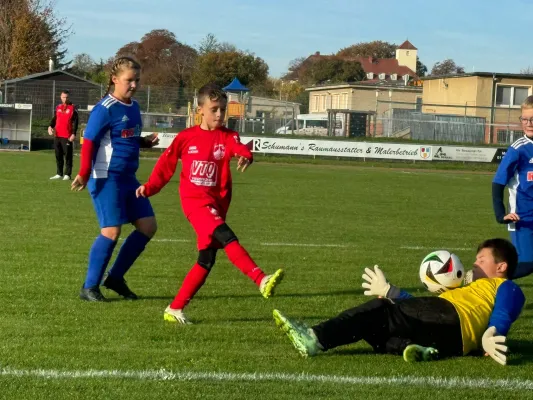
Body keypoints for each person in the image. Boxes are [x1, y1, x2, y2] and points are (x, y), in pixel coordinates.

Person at [136, 83, 284, 324]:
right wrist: (150, 187)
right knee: (227, 236)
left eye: (223, 110)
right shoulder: (186, 138)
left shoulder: (228, 136)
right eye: (214, 109)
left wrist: (247, 155)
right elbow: (166, 165)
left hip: (217, 205)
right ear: (200, 110)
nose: (219, 115)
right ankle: (260, 279)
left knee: (206, 260)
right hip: (195, 204)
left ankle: (174, 309)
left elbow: (239, 148)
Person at [273, 238, 524, 366]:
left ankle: (314, 338)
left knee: (381, 310)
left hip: (454, 319)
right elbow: (421, 310)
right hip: (452, 340)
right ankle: (413, 348)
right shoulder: (467, 289)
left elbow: (505, 308)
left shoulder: (504, 285)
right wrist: (392, 291)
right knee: (378, 326)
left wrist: (493, 332)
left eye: (481, 260)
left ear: (501, 266)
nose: (474, 264)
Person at [71, 56, 159, 302]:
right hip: (105, 176)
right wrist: (84, 173)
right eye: (129, 80)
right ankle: (89, 287)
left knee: (148, 226)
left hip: (128, 178)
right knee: (111, 231)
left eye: (137, 80)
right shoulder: (105, 109)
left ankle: (115, 278)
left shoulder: (134, 107)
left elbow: (124, 138)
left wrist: (143, 141)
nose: (133, 85)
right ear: (114, 79)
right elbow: (89, 142)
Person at [493, 95, 533, 279]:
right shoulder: (518, 149)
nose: (528, 123)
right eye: (524, 119)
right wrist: (501, 214)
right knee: (526, 264)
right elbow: (498, 183)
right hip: (523, 220)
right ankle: (485, 283)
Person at [48, 90, 79, 181]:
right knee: (58, 155)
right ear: (60, 97)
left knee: (68, 155)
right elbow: (54, 119)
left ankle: (67, 174)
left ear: (69, 98)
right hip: (57, 135)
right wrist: (50, 126)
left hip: (67, 136)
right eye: (63, 97)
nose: (65, 99)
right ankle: (59, 173)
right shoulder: (58, 107)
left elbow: (76, 122)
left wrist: (74, 133)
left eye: (66, 97)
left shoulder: (73, 108)